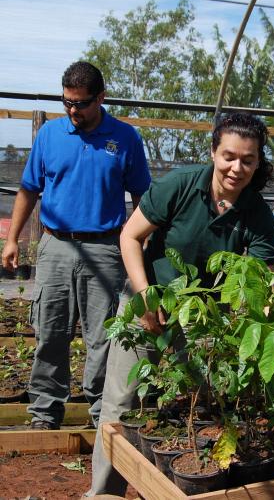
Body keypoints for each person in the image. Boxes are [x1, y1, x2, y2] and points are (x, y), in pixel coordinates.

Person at [86, 112, 274, 497]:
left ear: (258, 162)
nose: (236, 168)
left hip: (204, 320)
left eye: (247, 160)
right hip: (148, 302)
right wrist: (144, 297)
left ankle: (168, 488)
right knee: (122, 406)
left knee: (199, 406)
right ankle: (104, 493)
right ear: (213, 152)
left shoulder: (256, 213)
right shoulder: (180, 185)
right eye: (228, 156)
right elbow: (130, 237)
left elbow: (255, 283)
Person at [1, 61, 151, 430]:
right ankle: (44, 413)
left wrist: (142, 249)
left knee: (104, 337)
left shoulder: (126, 138)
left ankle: (103, 415)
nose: (73, 111)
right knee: (50, 331)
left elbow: (143, 198)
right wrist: (11, 239)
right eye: (66, 102)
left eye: (81, 103)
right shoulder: (50, 135)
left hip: (105, 248)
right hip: (55, 246)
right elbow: (28, 189)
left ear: (100, 98)